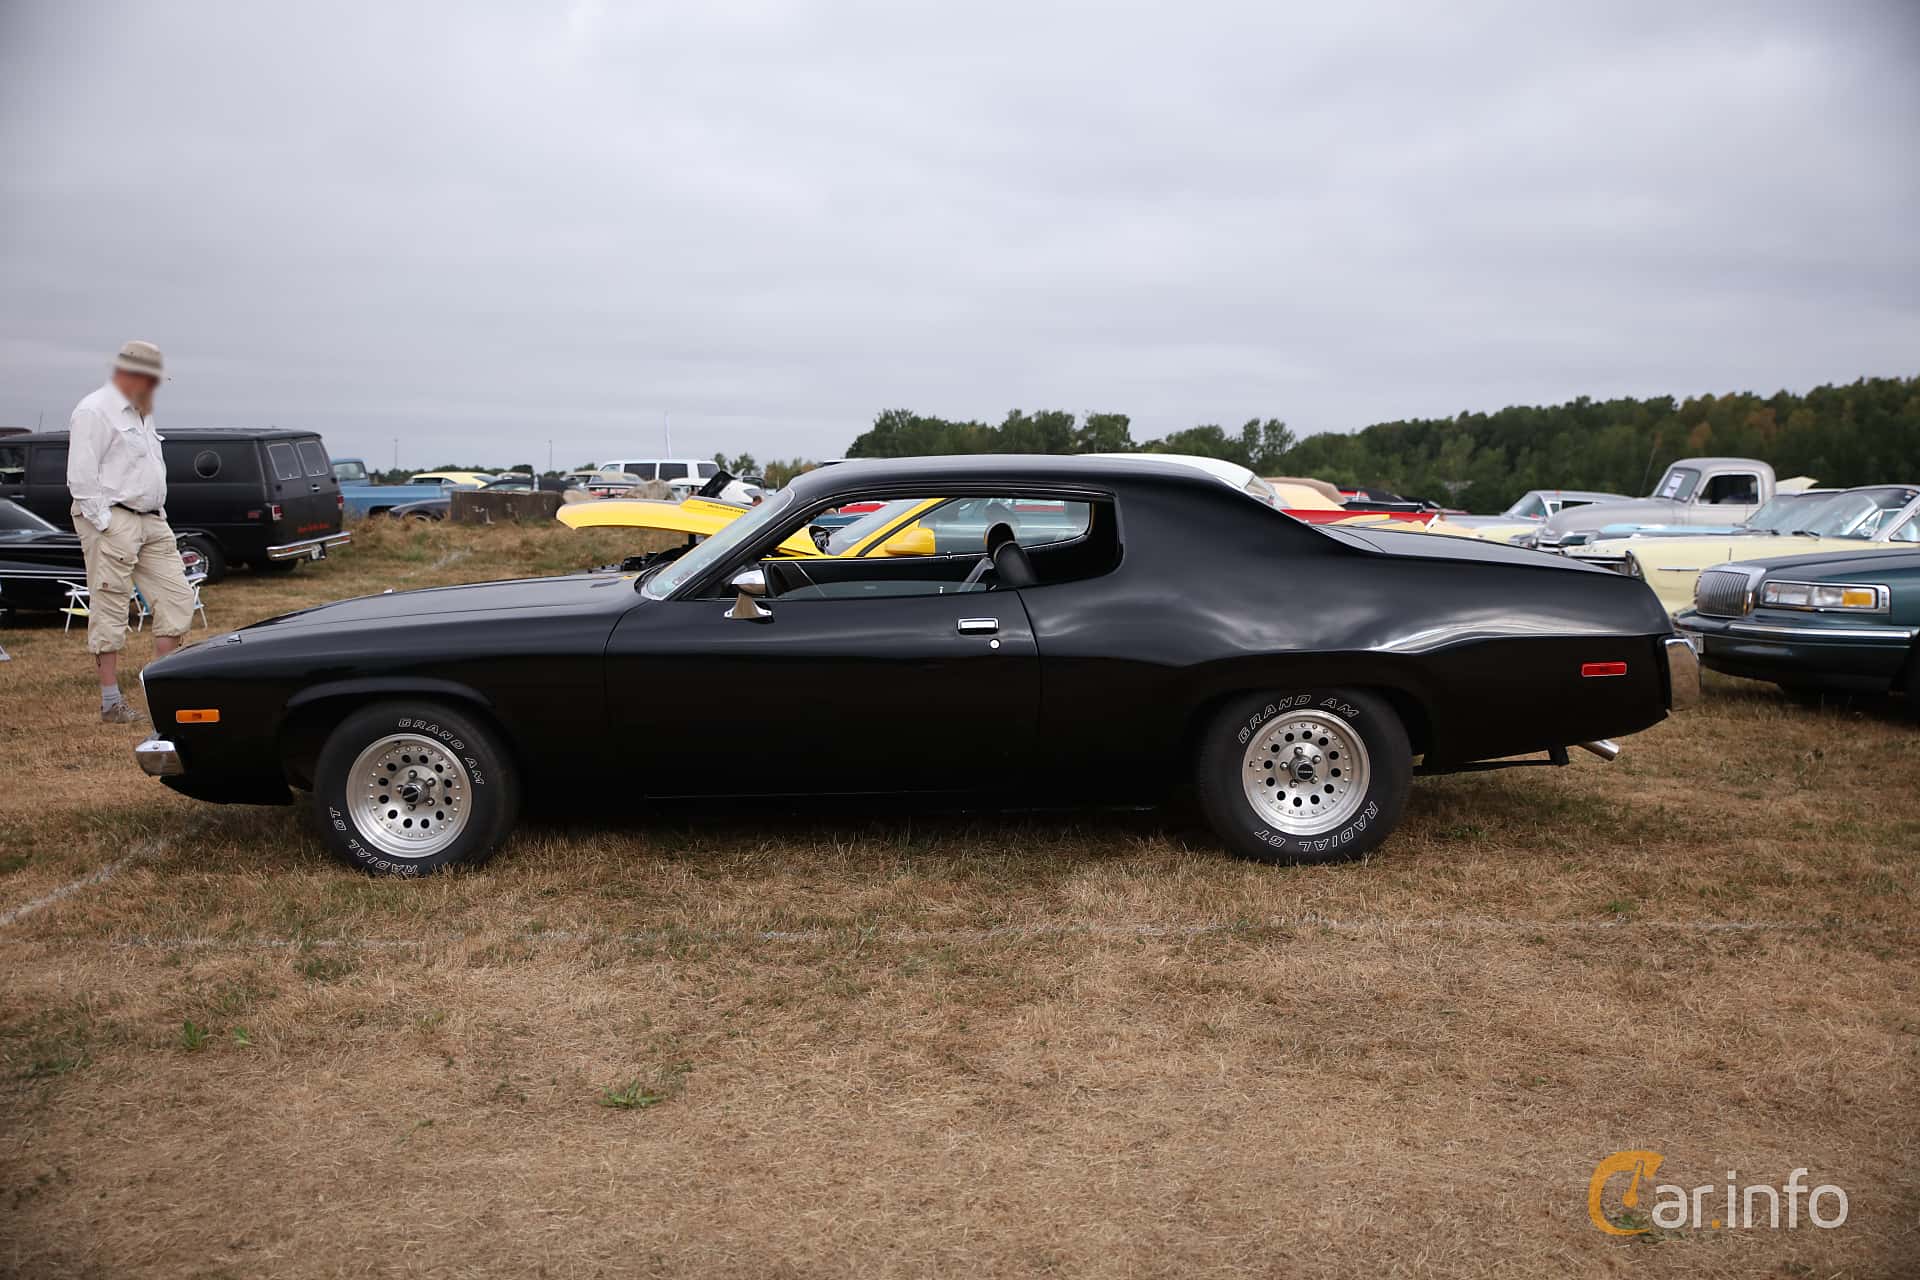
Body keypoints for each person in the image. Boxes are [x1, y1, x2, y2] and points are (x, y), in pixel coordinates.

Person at [67, 340, 196, 723]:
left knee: (177, 599)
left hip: (152, 517)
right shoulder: (94, 411)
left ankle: (162, 694)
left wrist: (157, 511)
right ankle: (111, 702)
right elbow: (81, 477)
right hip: (113, 517)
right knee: (111, 603)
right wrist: (104, 523)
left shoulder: (143, 413)